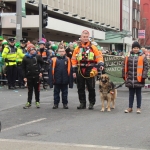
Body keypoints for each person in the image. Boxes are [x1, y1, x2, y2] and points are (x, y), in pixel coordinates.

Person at [71, 30, 104, 110]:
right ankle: (82, 103)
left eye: (86, 37)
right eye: (84, 37)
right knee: (80, 87)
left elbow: (99, 56)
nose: (85, 38)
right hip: (80, 69)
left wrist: (100, 64)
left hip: (90, 68)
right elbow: (74, 59)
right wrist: (74, 70)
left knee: (91, 87)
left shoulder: (93, 47)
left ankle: (91, 103)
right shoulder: (77, 48)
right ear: (81, 37)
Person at [122, 41, 148, 114]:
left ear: (139, 48)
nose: (135, 49)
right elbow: (124, 66)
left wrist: (144, 76)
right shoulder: (128, 56)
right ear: (132, 48)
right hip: (130, 78)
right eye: (134, 48)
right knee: (131, 94)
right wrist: (124, 75)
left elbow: (146, 67)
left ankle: (138, 108)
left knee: (138, 94)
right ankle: (130, 108)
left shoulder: (142, 56)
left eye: (137, 48)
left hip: (139, 78)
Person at [49, 43, 73, 109]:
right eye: (60, 51)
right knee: (56, 93)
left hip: (65, 79)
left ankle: (65, 104)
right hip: (56, 79)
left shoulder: (67, 59)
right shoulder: (54, 60)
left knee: (65, 93)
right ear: (57, 52)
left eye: (62, 51)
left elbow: (70, 70)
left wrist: (70, 82)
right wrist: (51, 82)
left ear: (65, 52)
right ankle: (55, 104)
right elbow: (51, 71)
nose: (61, 52)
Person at [22, 44, 44, 109]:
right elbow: (23, 68)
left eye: (34, 49)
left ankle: (37, 101)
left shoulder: (37, 56)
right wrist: (24, 76)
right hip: (29, 76)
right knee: (30, 90)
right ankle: (29, 102)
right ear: (28, 50)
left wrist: (41, 72)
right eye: (31, 50)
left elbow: (43, 64)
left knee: (37, 89)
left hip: (36, 75)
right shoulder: (25, 58)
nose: (33, 51)